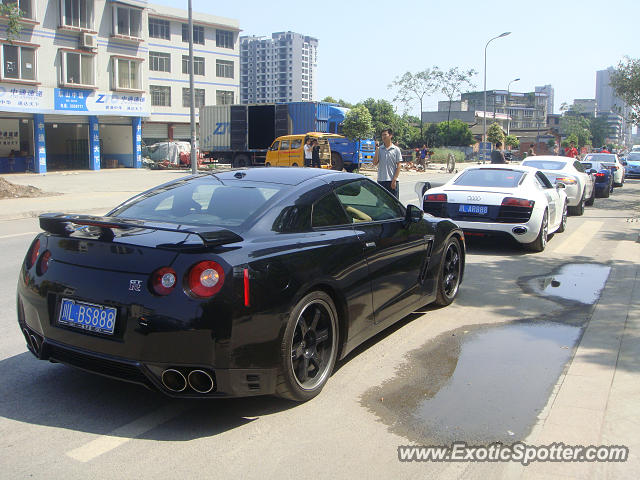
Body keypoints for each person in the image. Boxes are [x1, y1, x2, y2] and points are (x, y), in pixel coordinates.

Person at [373, 128, 402, 198]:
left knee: (394, 204)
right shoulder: (380, 149)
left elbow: (399, 165)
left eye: (385, 134)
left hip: (392, 181)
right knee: (380, 204)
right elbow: (375, 163)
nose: (383, 137)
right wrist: (377, 149)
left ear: (390, 135)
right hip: (381, 180)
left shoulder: (396, 149)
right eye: (382, 135)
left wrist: (394, 179)